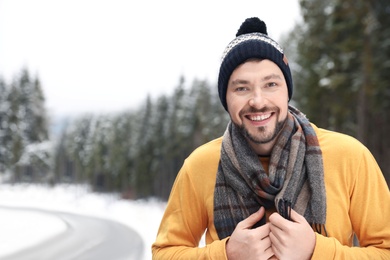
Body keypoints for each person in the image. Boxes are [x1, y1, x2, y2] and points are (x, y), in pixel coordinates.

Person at [151, 17, 390, 259]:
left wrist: (317, 251)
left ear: (287, 92)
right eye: (241, 88)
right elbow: (164, 253)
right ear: (226, 99)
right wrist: (226, 254)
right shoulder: (200, 165)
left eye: (271, 84)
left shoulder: (349, 156)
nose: (257, 100)